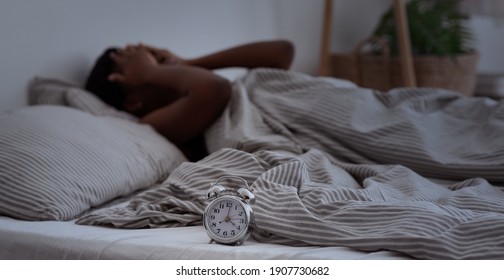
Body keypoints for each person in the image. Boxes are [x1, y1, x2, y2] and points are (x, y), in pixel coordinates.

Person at [85, 40, 295, 161]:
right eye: (143, 66)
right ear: (133, 102)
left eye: (153, 56)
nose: (156, 59)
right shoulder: (152, 124)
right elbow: (215, 89)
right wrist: (152, 71)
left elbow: (283, 51)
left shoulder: (204, 81)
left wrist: (187, 62)